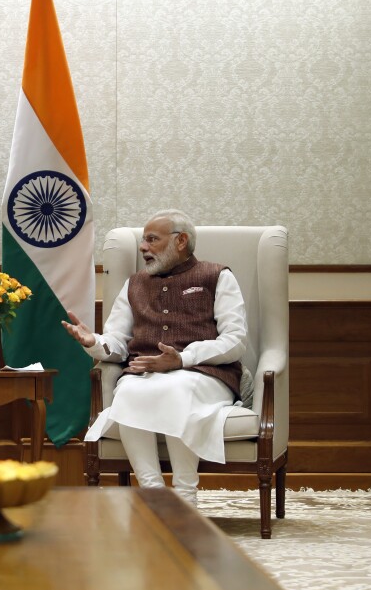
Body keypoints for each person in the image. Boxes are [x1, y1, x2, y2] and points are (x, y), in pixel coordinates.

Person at [61, 209, 247, 505]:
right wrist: (94, 342)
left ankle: (186, 497)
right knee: (129, 391)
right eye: (142, 240)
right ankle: (154, 493)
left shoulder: (217, 276)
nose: (142, 247)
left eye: (151, 239)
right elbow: (117, 341)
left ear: (181, 241)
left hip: (205, 375)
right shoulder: (133, 284)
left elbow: (235, 341)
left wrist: (183, 359)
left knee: (176, 387)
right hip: (143, 374)